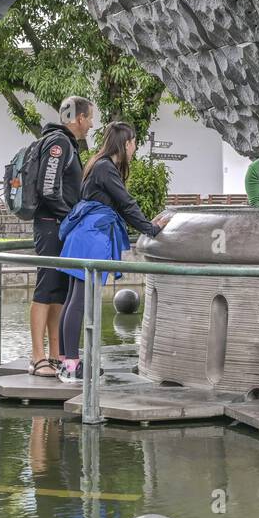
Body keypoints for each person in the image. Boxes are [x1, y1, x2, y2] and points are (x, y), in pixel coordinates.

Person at [54, 121, 171, 383]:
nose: (135, 147)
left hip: (84, 232)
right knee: (79, 300)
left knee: (73, 298)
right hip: (91, 236)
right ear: (125, 143)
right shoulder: (106, 168)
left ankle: (66, 362)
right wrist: (150, 229)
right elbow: (126, 204)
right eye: (134, 142)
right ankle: (72, 365)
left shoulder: (99, 163)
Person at [27, 96, 94, 378]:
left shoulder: (66, 144)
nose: (91, 124)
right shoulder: (59, 144)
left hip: (59, 224)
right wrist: (72, 216)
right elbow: (48, 189)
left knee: (57, 290)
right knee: (45, 288)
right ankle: (37, 356)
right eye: (90, 118)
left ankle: (55, 355)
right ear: (78, 118)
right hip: (51, 224)